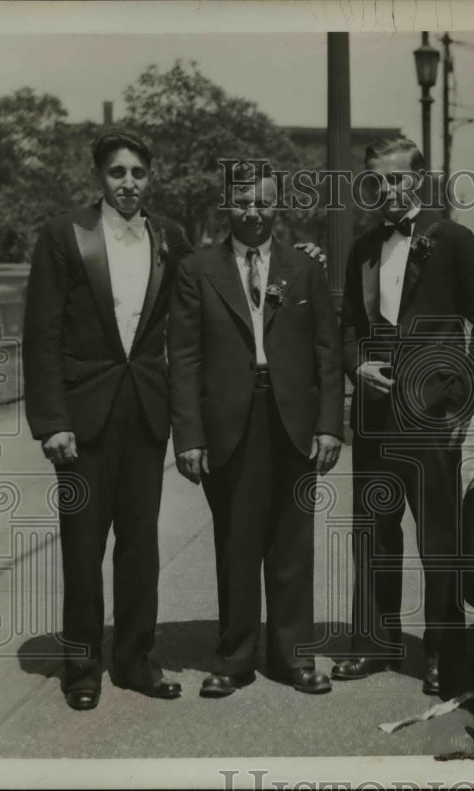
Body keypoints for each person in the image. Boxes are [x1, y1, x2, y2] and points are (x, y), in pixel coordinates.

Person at [22, 128, 193, 710]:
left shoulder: (172, 237)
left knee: (140, 544)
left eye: (138, 173)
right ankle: (83, 666)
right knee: (83, 544)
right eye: (117, 172)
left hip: (145, 409)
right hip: (81, 416)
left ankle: (135, 660)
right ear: (100, 176)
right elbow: (40, 335)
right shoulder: (64, 235)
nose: (128, 184)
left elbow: (202, 301)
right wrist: (51, 422)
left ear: (151, 177)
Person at [333, 137, 474, 701]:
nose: (386, 190)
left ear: (419, 182)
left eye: (396, 179)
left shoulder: (452, 240)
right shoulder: (361, 247)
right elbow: (346, 327)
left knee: (438, 540)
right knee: (374, 533)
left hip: (433, 418)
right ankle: (376, 640)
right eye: (375, 181)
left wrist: (463, 400)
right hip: (374, 417)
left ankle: (441, 651)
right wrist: (357, 366)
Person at [168, 171, 343, 696]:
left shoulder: (304, 268)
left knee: (293, 543)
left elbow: (327, 353)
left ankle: (294, 657)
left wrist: (330, 424)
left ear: (278, 208)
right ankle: (234, 657)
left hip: (292, 418)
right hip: (229, 422)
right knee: (237, 542)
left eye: (264, 202)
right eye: (243, 201)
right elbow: (183, 358)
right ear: (228, 205)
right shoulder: (197, 270)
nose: (254, 212)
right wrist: (189, 436)